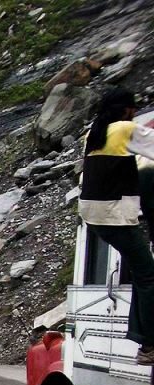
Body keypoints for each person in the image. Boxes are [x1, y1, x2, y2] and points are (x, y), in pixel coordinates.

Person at [79, 87, 154, 364]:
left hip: (95, 217)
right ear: (125, 109)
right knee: (148, 276)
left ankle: (145, 341)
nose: (134, 112)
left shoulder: (95, 132)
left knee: (141, 271)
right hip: (114, 215)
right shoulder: (124, 128)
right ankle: (148, 347)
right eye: (132, 108)